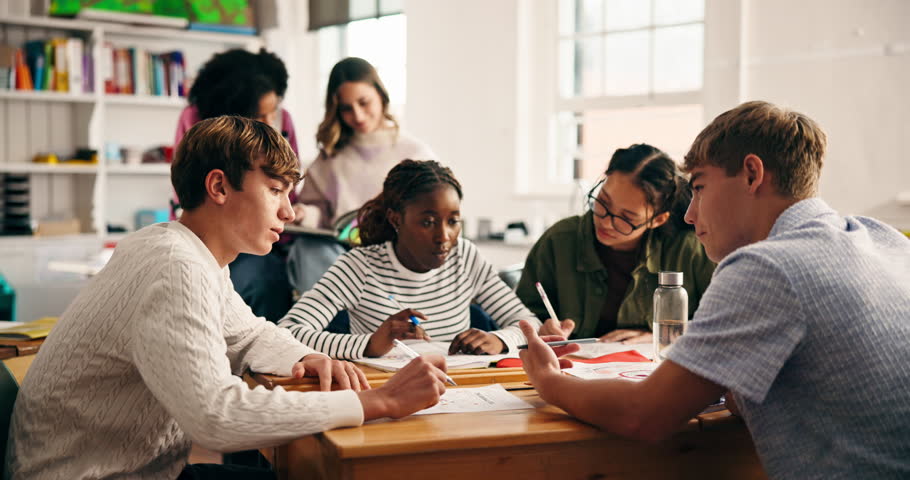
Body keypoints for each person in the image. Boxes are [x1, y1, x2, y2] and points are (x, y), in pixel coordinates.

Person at [5, 117, 450, 479]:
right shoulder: (176, 266)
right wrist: (380, 401)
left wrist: (307, 356)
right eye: (275, 190)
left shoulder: (188, 252)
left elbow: (248, 332)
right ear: (218, 187)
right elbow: (215, 416)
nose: (289, 212)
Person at [518, 101, 910, 479]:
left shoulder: (766, 265)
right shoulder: (886, 239)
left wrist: (550, 382)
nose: (690, 214)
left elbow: (643, 414)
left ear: (752, 174)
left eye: (700, 187)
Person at [278, 160, 541, 359]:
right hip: (387, 398)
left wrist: (499, 339)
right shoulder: (360, 267)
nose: (444, 236)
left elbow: (530, 324)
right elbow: (287, 333)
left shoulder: (465, 257)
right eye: (427, 222)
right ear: (396, 219)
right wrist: (369, 344)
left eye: (453, 221)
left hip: (461, 394)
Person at [517, 144, 714, 344]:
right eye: (603, 202)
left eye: (626, 217)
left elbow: (727, 321)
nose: (606, 222)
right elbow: (520, 314)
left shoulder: (689, 250)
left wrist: (668, 334)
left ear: (657, 220)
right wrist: (540, 327)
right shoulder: (559, 241)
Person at [286, 57, 436, 294]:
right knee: (309, 249)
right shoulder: (330, 157)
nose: (358, 115)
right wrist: (305, 212)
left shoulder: (415, 153)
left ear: (381, 95)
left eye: (364, 102)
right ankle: (329, 325)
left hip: (395, 256)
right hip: (338, 254)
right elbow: (320, 214)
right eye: (346, 108)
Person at [174, 48, 300, 323]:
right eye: (258, 117)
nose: (271, 125)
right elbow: (187, 187)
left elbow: (289, 178)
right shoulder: (197, 121)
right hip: (216, 235)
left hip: (272, 239)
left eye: (274, 113)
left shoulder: (284, 120)